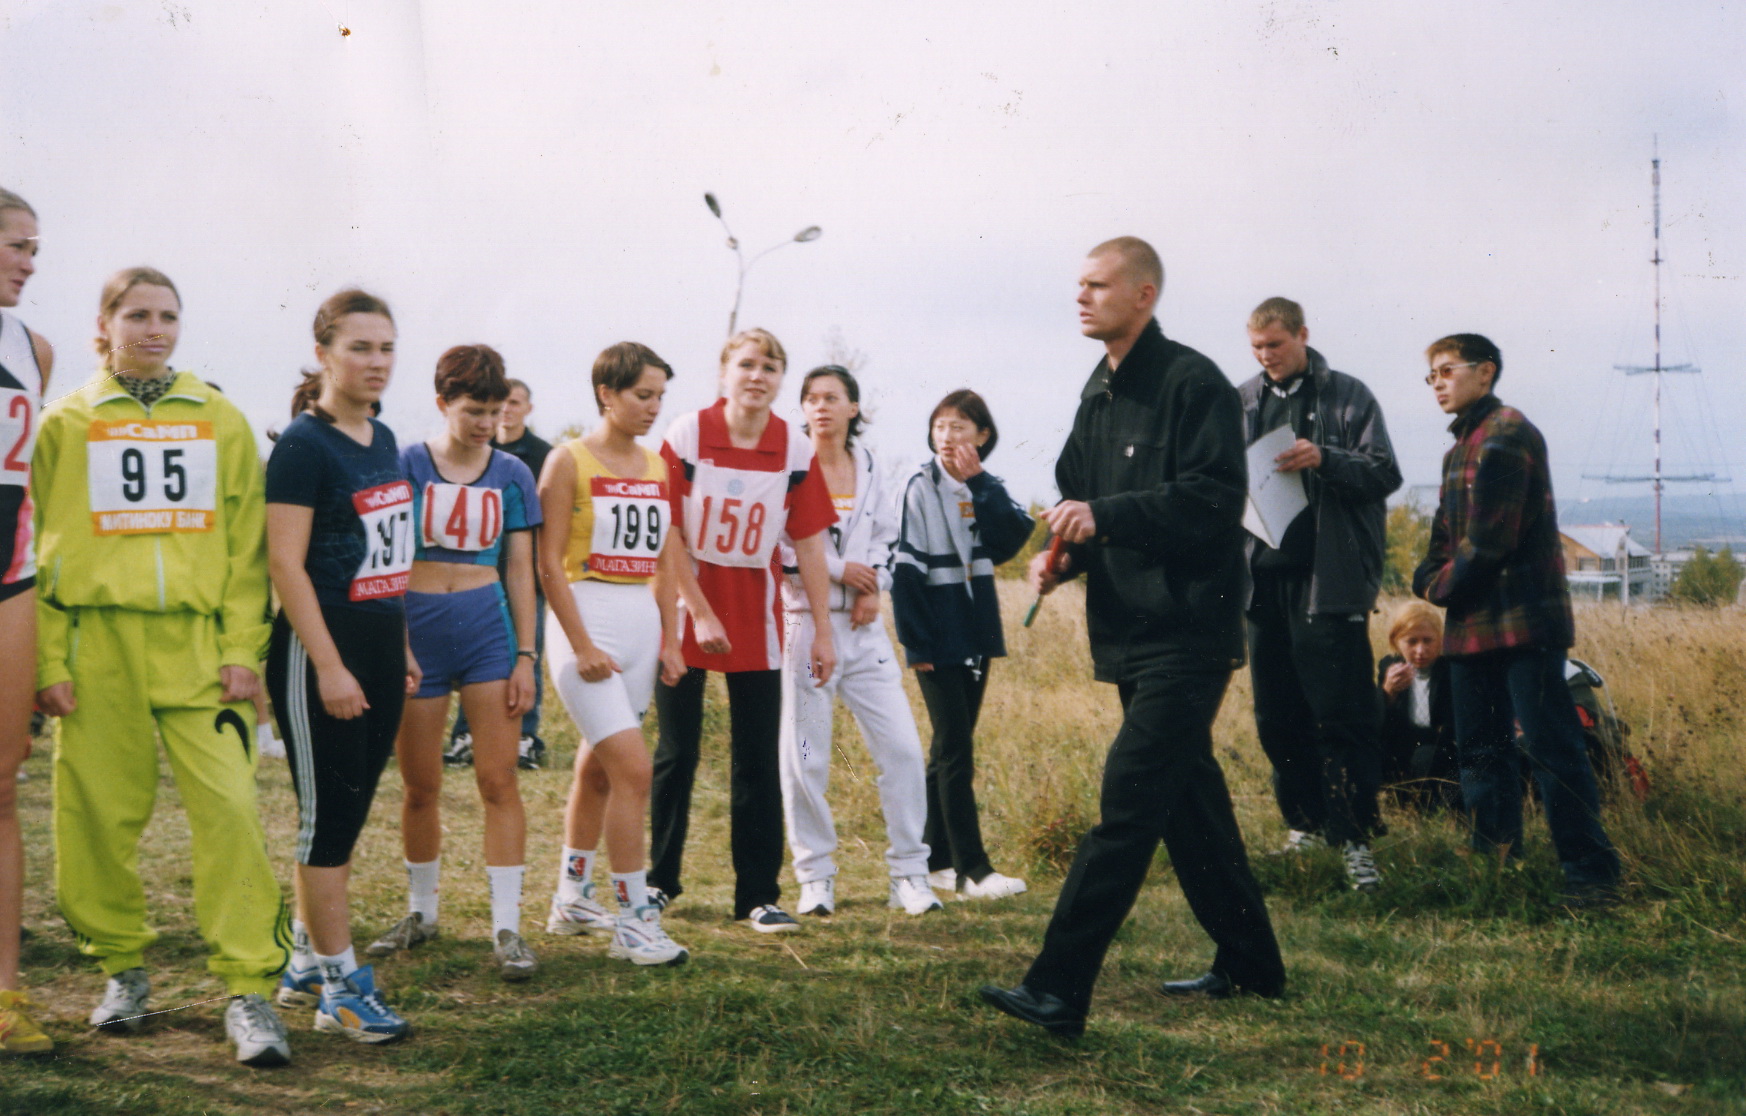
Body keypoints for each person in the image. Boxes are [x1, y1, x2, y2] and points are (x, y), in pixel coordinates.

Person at [980, 236, 1284, 1039]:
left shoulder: (1194, 383)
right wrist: (1063, 559)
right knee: (1190, 805)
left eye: (1097, 285)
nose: (1081, 297)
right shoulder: (1097, 394)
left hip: (1189, 631)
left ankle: (1057, 987)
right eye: (1077, 284)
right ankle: (1254, 962)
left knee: (1127, 808)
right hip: (1129, 634)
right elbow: (1079, 502)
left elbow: (1216, 500)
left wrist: (1102, 518)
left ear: (1143, 294)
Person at [31, 266, 292, 1065]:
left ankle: (248, 988)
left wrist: (243, 650)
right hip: (97, 645)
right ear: (103, 324)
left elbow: (249, 548)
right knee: (96, 816)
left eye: (169, 316)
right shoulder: (66, 423)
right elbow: (35, 547)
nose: (155, 329)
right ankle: (120, 969)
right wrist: (48, 658)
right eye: (137, 315)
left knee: (232, 814)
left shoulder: (219, 418)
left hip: (196, 648)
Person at [1411, 334, 1622, 907]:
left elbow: (1487, 544)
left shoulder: (1506, 433)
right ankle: (1495, 867)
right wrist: (1434, 578)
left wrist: (1436, 585)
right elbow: (1439, 544)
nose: (1437, 382)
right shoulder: (1459, 450)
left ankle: (1592, 874)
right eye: (1430, 375)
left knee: (1553, 748)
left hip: (1524, 624)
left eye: (1446, 370)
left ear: (1486, 372)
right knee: (1481, 750)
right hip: (1474, 630)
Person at [265, 289, 420, 1043]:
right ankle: (341, 987)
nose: (376, 362)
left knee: (348, 815)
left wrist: (402, 649)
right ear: (324, 352)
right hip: (319, 650)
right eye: (360, 348)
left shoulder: (382, 436)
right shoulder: (303, 445)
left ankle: (304, 956)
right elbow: (287, 567)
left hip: (379, 646)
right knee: (326, 823)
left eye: (386, 348)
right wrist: (328, 666)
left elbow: (387, 559)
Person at [649, 327, 837, 932]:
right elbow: (667, 529)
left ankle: (758, 894)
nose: (758, 376)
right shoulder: (686, 433)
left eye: (771, 367)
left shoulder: (794, 449)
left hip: (756, 612)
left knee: (756, 757)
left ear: (782, 378)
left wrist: (824, 632)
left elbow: (808, 544)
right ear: (724, 373)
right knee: (677, 750)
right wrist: (698, 611)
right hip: (685, 603)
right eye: (747, 365)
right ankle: (658, 882)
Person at [365, 345, 541, 981]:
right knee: (421, 784)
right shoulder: (407, 462)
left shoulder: (514, 473)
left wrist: (526, 654)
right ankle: (421, 913)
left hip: (485, 632)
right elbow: (385, 558)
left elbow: (520, 569)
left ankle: (507, 927)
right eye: (472, 411)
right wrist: (399, 643)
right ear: (443, 403)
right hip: (417, 630)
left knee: (498, 780)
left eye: (494, 412)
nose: (484, 424)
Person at [1237, 297, 1398, 890]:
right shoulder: (1242, 400)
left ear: (1303, 334)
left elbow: (1384, 472)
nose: (1266, 357)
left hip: (1328, 582)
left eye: (1275, 345)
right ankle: (1303, 826)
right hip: (1262, 582)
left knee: (1343, 715)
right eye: (1256, 348)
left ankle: (1355, 837)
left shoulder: (1349, 395)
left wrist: (1324, 458)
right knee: (1277, 717)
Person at [539, 342, 689, 965]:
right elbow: (546, 561)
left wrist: (672, 638)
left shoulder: (658, 467)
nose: (654, 407)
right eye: (642, 394)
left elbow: (664, 558)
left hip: (639, 625)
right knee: (634, 770)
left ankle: (572, 897)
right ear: (607, 392)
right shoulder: (566, 461)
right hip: (585, 618)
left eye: (659, 395)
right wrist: (581, 645)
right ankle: (633, 919)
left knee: (599, 768)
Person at [779, 366, 940, 918]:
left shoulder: (870, 467)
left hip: (865, 628)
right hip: (804, 623)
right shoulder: (788, 466)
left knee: (901, 748)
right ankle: (815, 877)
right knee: (806, 756)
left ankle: (910, 874)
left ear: (853, 408)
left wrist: (874, 583)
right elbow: (780, 549)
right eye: (811, 398)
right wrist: (842, 569)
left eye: (832, 398)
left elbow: (887, 541)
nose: (820, 407)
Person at [892, 389, 1033, 901]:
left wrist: (982, 482)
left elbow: (1014, 537)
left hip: (974, 630)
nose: (947, 437)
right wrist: (915, 643)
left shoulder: (982, 486)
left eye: (958, 427)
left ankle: (935, 861)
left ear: (982, 436)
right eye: (940, 427)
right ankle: (974, 870)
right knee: (956, 750)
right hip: (936, 633)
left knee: (948, 750)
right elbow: (904, 571)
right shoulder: (918, 486)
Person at [0, 187, 52, 1056]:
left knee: (1, 785)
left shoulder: (34, 348)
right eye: (15, 246)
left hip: (12, 577)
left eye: (34, 248)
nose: (29, 261)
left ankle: (5, 995)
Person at [447, 377, 554, 770]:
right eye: (498, 404)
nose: (505, 411)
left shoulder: (543, 454)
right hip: (480, 571)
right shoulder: (477, 448)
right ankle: (465, 734)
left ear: (528, 408)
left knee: (528, 651)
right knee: (471, 655)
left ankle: (525, 736)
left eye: (513, 403)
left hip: (526, 569)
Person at [1377, 600, 1460, 812]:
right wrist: (1388, 693)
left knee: (1427, 756)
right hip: (1402, 750)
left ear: (1441, 641)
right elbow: (1381, 725)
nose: (1420, 650)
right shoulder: (1389, 667)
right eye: (1411, 642)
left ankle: (1434, 810)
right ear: (1396, 641)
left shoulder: (1450, 670)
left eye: (1428, 641)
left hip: (1438, 752)